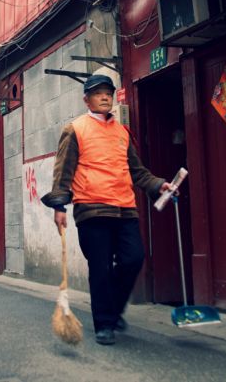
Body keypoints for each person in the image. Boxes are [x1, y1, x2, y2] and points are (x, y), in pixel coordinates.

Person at [41, 74, 176, 346]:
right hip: (91, 209)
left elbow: (137, 172)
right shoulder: (75, 128)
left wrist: (159, 185)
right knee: (100, 268)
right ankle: (105, 323)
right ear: (86, 99)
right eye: (98, 93)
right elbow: (63, 170)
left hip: (125, 207)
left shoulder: (122, 132)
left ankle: (112, 308)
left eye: (108, 93)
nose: (104, 97)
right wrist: (59, 205)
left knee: (133, 258)